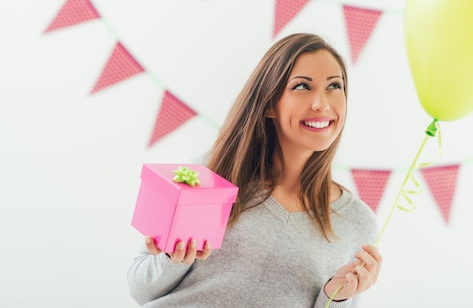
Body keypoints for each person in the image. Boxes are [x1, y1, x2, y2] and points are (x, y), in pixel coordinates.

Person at [127, 33, 382, 307]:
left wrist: (337, 295)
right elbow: (140, 289)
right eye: (302, 87)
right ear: (270, 103)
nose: (322, 103)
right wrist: (170, 258)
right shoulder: (210, 174)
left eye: (334, 85)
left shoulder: (357, 222)